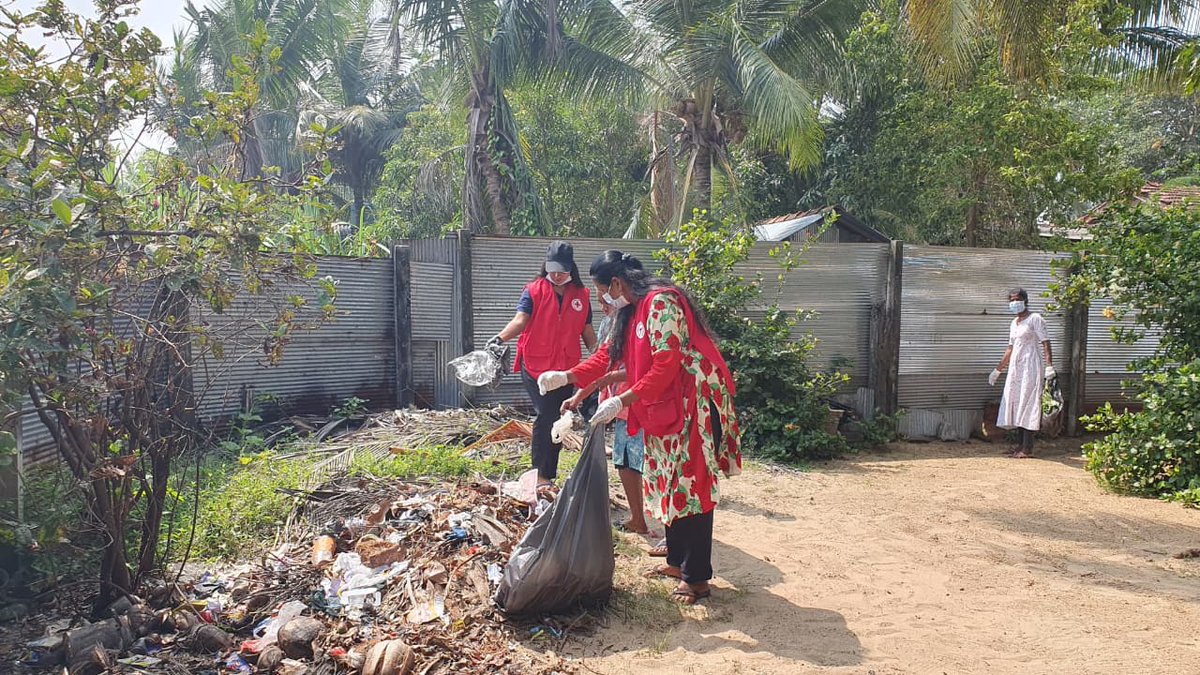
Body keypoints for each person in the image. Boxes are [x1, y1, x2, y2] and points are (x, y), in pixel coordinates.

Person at [543, 250, 741, 605]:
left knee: (691, 484)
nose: (602, 298)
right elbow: (608, 356)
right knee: (668, 479)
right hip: (665, 405)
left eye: (602, 290)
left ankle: (697, 578)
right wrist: (569, 377)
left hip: (692, 402)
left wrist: (622, 400)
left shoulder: (661, 303)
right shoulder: (631, 310)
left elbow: (667, 365)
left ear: (616, 283)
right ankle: (677, 562)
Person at [489, 241, 597, 487]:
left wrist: (598, 354)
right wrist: (499, 338)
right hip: (535, 365)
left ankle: (549, 474)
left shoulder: (582, 295)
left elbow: (587, 331)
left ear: (572, 268)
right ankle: (539, 474)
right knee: (546, 414)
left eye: (562, 270)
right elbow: (520, 320)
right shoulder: (533, 290)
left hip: (566, 368)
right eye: (553, 269)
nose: (557, 275)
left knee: (559, 417)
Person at [564, 295, 650, 535]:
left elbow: (646, 370)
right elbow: (600, 366)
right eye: (600, 301)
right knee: (624, 462)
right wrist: (577, 396)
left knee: (638, 465)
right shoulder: (609, 326)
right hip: (618, 407)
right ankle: (638, 518)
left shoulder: (640, 326)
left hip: (636, 406)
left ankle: (644, 520)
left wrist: (612, 378)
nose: (603, 307)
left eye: (607, 300)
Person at [989, 288, 1054, 458]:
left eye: (1017, 299)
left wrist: (1049, 366)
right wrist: (998, 369)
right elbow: (1010, 348)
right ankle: (1019, 446)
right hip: (1016, 368)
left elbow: (1046, 343)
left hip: (1031, 366)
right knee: (1016, 402)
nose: (1013, 303)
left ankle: (1027, 448)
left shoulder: (1035, 319)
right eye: (1010, 300)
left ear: (1025, 300)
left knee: (1028, 402)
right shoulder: (1014, 322)